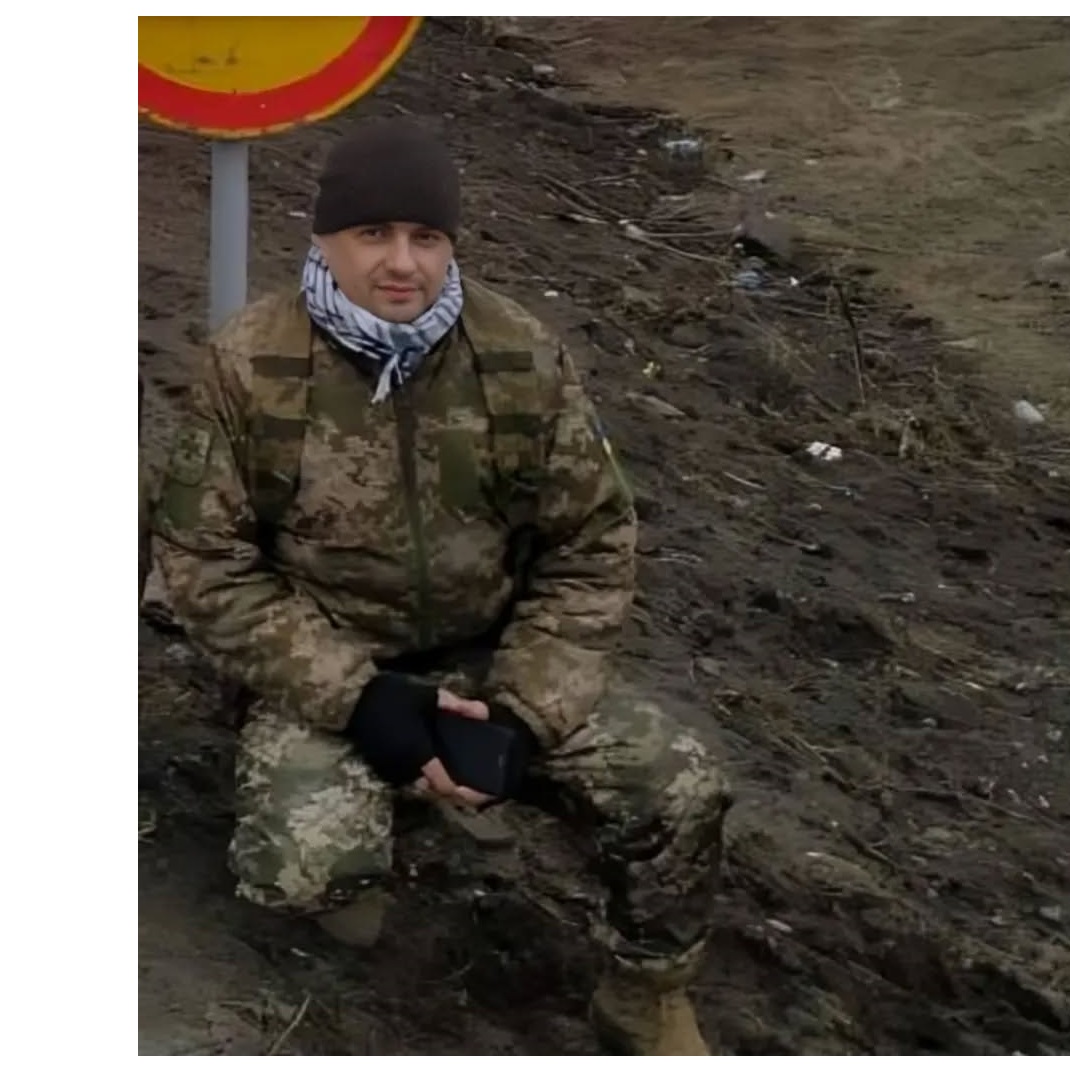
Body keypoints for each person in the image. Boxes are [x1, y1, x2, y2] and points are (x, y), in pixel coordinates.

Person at [149, 118, 731, 1056]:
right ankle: (386, 826)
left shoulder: (519, 355)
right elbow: (206, 563)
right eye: (373, 234)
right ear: (325, 239)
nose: (402, 263)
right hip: (333, 670)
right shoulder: (251, 364)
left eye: (426, 237)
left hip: (495, 661)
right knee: (308, 868)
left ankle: (646, 992)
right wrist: (361, 699)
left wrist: (522, 711)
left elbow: (592, 544)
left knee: (680, 785)